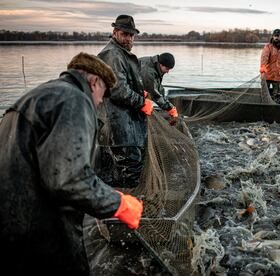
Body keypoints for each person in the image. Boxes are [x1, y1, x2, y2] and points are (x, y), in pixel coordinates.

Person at [0, 52, 144, 275]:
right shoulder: (75, 100)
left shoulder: (40, 94)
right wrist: (118, 203)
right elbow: (68, 179)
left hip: (11, 223)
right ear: (94, 81)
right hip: (40, 232)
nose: (100, 102)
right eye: (103, 94)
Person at [96, 14, 153, 188]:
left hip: (122, 125)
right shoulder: (113, 54)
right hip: (119, 126)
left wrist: (138, 91)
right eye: (125, 34)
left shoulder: (119, 53)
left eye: (131, 35)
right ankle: (129, 210)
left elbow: (121, 83)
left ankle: (118, 206)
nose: (128, 38)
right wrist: (142, 102)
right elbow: (118, 90)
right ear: (115, 32)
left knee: (119, 171)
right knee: (131, 171)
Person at [139, 52, 179, 125]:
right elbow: (154, 94)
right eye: (167, 69)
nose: (167, 72)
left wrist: (170, 106)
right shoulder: (148, 72)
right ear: (161, 64)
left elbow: (159, 88)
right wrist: (169, 108)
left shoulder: (156, 66)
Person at [260, 28, 280, 102]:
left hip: (278, 76)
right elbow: (264, 57)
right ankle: (264, 106)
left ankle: (275, 107)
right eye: (275, 36)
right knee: (264, 94)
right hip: (267, 75)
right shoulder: (268, 46)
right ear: (273, 37)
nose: (276, 37)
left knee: (277, 95)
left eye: (278, 36)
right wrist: (263, 66)